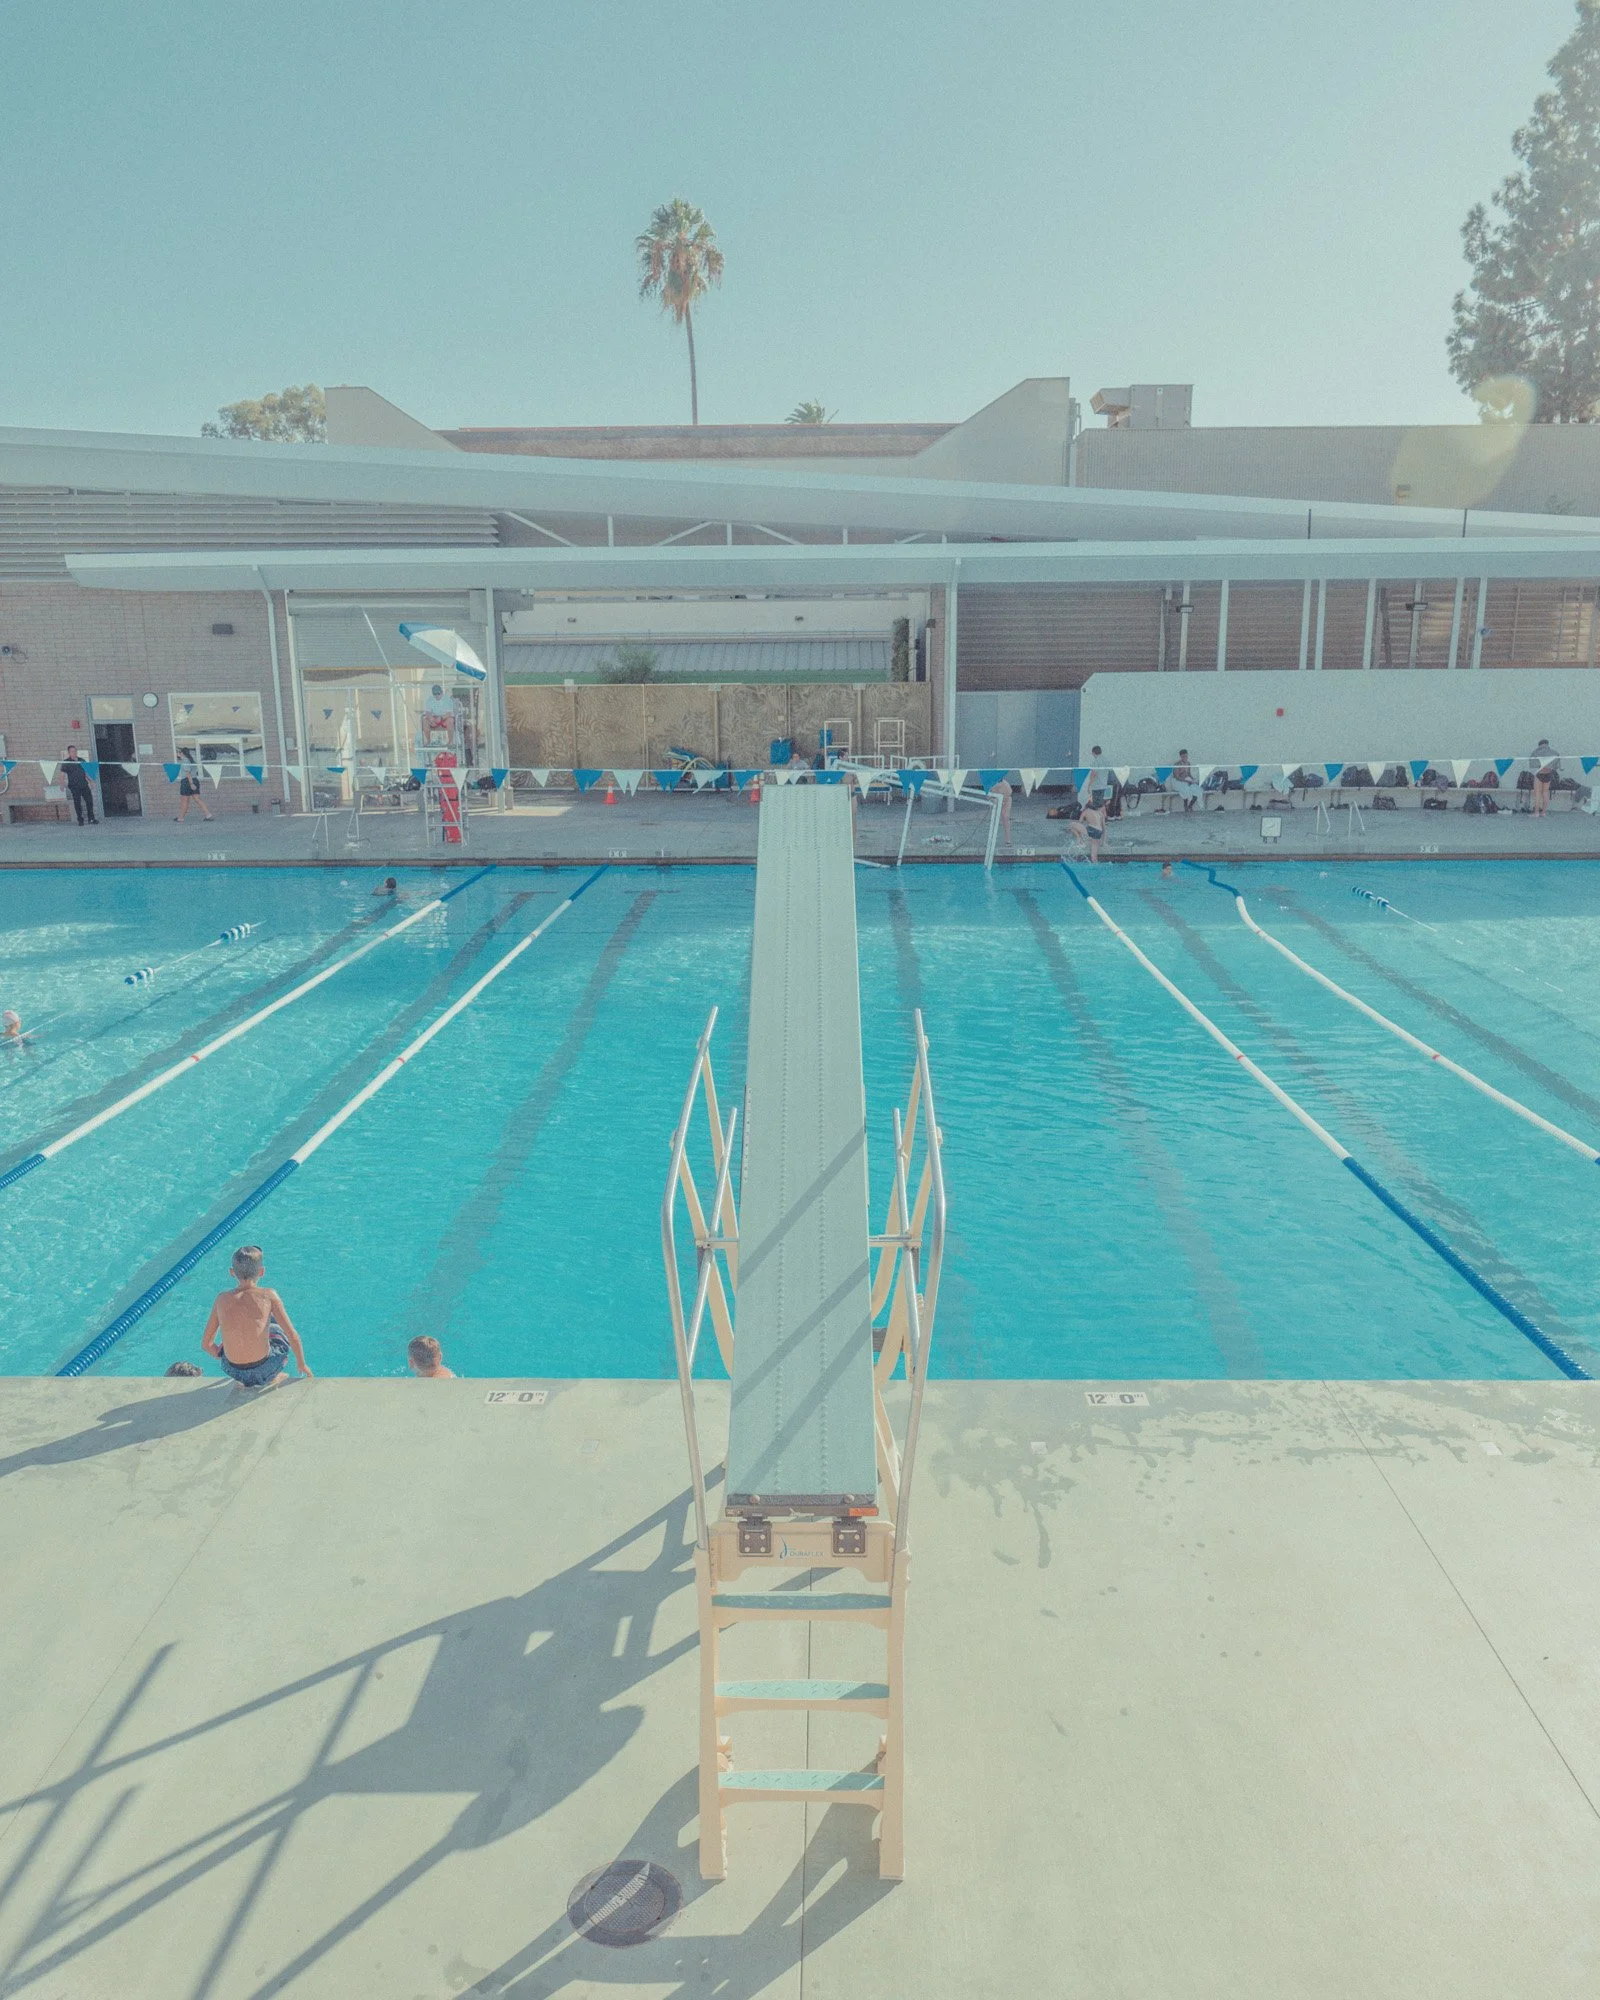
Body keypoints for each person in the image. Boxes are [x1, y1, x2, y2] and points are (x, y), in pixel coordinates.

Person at [201, 1245, 312, 1388]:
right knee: (277, 1328)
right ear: (262, 1272)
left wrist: (222, 1354)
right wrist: (302, 1365)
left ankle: (246, 1379)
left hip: (233, 1370)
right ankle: (273, 1377)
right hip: (266, 1367)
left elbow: (206, 1344)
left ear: (232, 1272)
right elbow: (293, 1336)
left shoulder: (221, 1299)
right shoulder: (269, 1295)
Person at [176, 750, 213, 824]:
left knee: (185, 800)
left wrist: (191, 783)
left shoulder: (185, 761)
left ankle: (181, 818)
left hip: (187, 781)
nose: (177, 754)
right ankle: (208, 814)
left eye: (178, 752)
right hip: (194, 780)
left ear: (182, 753)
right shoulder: (191, 760)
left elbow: (188, 773)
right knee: (197, 799)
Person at [62, 747, 97, 826]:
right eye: (72, 751)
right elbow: (62, 774)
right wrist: (62, 784)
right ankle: (80, 820)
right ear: (69, 753)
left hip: (84, 784)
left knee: (89, 801)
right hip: (74, 786)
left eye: (75, 751)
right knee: (77, 803)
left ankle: (91, 818)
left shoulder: (81, 760)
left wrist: (91, 781)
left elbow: (86, 772)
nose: (74, 753)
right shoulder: (66, 762)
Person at [1530, 739, 1560, 818]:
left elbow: (1532, 765)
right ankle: (1543, 812)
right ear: (1547, 744)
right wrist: (1549, 768)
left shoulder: (1535, 752)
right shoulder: (1555, 753)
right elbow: (1557, 766)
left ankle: (1536, 813)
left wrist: (1540, 768)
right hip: (1549, 774)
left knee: (1537, 794)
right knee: (1545, 793)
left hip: (1539, 773)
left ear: (1539, 745)